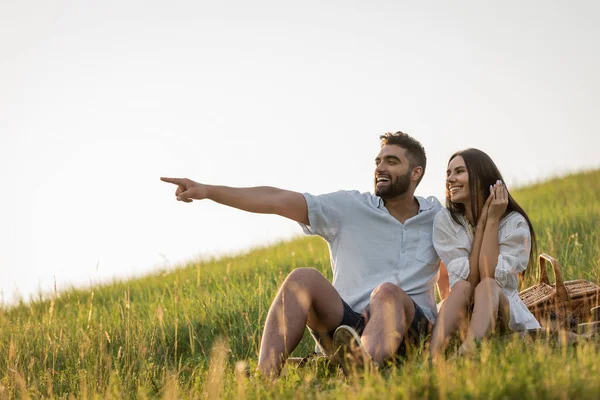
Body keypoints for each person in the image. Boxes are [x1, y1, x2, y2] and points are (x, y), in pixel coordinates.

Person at [161, 132, 443, 377]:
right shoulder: (351, 207)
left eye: (392, 162)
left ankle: (362, 370)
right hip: (349, 331)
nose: (380, 167)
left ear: (415, 173)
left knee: (388, 293)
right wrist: (208, 191)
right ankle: (266, 378)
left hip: (411, 331)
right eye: (378, 161)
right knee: (302, 279)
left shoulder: (438, 217)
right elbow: (277, 199)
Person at [429, 148, 541, 360]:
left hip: (501, 309)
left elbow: (488, 275)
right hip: (461, 310)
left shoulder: (514, 223)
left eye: (459, 171)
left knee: (487, 286)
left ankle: (470, 351)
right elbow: (469, 280)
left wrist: (491, 221)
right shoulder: (445, 221)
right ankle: (431, 359)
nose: (451, 179)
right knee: (462, 286)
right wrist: (480, 227)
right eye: (448, 173)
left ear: (480, 177)